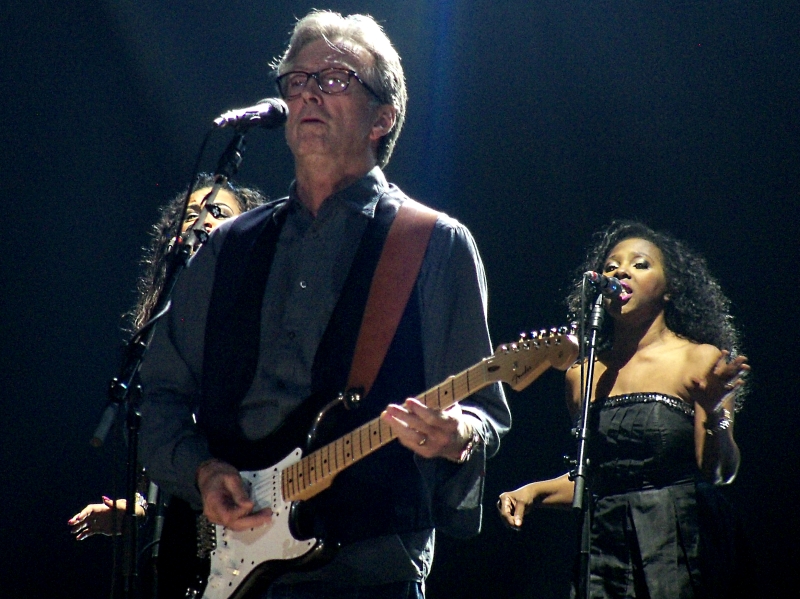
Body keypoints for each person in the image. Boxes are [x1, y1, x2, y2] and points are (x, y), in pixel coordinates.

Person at [138, 9, 510, 599]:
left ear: (381, 118)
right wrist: (201, 472)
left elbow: (483, 411)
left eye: (333, 79)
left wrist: (456, 433)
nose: (307, 92)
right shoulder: (227, 247)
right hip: (224, 560)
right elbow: (160, 392)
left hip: (366, 564)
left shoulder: (432, 242)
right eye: (296, 79)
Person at [498, 220, 750, 598]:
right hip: (603, 546)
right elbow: (596, 477)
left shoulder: (700, 360)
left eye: (640, 264)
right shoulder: (582, 377)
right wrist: (533, 491)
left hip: (680, 543)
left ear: (670, 289)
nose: (620, 272)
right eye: (612, 265)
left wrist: (714, 412)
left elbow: (717, 472)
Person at [68, 174, 267, 540]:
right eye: (190, 214)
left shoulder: (263, 310)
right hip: (192, 542)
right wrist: (138, 507)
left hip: (257, 511)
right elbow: (159, 457)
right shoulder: (161, 331)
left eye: (218, 211)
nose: (201, 219)